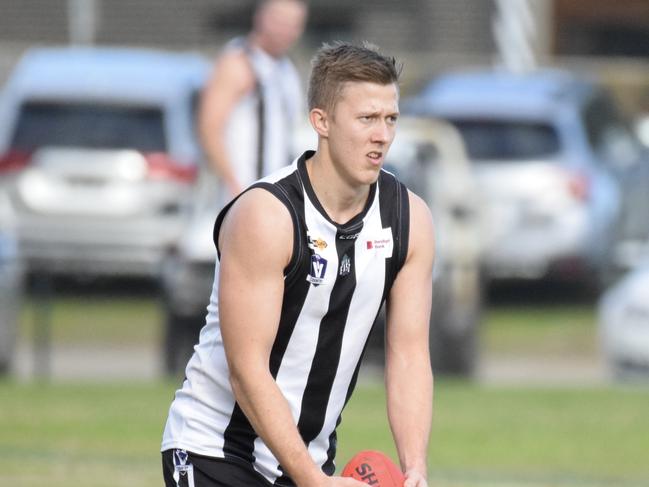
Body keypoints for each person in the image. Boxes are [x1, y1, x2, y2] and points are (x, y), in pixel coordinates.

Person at [162, 42, 435, 487]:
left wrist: (415, 468)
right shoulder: (266, 215)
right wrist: (313, 479)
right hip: (214, 451)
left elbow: (408, 354)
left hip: (306, 463)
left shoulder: (410, 220)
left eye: (390, 119)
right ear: (320, 122)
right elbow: (246, 369)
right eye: (366, 119)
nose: (382, 135)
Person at [198, 0, 307, 199]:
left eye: (294, 24)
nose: (287, 31)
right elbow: (210, 128)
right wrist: (234, 186)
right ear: (261, 18)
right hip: (241, 193)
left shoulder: (286, 68)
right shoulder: (238, 62)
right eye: (281, 22)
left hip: (277, 195)